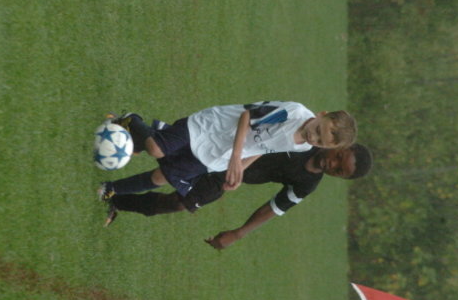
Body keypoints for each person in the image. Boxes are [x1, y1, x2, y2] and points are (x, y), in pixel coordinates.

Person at [104, 138, 373, 250]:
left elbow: (273, 208)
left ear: (340, 177)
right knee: (166, 152)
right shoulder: (307, 139)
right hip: (225, 149)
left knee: (179, 203)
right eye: (339, 157)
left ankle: (116, 200)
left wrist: (238, 233)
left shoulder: (307, 184)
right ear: (342, 145)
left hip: (227, 178)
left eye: (339, 170)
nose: (333, 164)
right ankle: (128, 129)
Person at [98, 101, 358, 209]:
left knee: (160, 178)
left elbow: (265, 148)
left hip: (217, 155)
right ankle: (132, 122)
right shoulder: (293, 113)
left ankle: (111, 188)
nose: (314, 138)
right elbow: (247, 116)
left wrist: (240, 167)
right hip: (211, 127)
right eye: (318, 131)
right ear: (322, 115)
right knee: (156, 148)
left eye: (320, 142)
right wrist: (235, 157)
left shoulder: (303, 147)